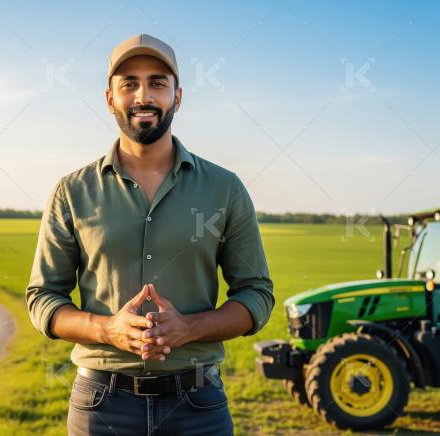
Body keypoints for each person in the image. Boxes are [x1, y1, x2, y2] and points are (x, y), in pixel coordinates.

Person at [25, 33, 274, 436]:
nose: (144, 96)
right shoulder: (71, 191)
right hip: (100, 404)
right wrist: (107, 330)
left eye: (158, 83)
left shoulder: (225, 189)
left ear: (178, 97)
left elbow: (256, 294)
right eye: (130, 84)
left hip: (199, 403)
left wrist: (190, 329)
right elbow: (42, 298)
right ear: (110, 98)